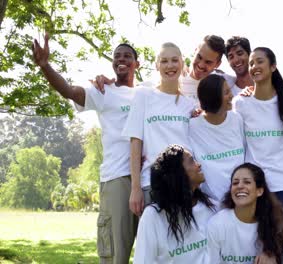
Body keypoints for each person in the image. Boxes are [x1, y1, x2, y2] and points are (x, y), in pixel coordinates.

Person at [32, 33, 139, 264]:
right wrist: (45, 66)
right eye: (117, 56)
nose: (121, 59)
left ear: (136, 64)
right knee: (115, 255)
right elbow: (69, 91)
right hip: (117, 178)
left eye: (127, 56)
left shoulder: (148, 93)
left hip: (149, 179)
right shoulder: (103, 92)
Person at [122, 42, 195, 217]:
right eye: (164, 61)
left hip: (184, 184)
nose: (170, 66)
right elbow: (135, 142)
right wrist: (135, 187)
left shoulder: (190, 104)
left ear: (182, 63)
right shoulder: (144, 95)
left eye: (174, 60)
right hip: (152, 184)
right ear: (157, 65)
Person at [233, 47, 283, 222]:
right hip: (255, 185)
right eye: (251, 63)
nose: (254, 66)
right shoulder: (241, 102)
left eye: (259, 61)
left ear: (273, 66)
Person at [133, 144, 216, 263]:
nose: (199, 164)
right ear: (177, 172)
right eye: (192, 161)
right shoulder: (153, 216)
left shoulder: (210, 208)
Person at [206, 163, 283, 264]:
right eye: (235, 183)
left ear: (259, 191)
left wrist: (272, 256)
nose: (240, 186)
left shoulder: (272, 222)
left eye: (247, 182)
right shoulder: (217, 224)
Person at [189, 74, 245, 201]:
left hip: (239, 199)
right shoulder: (192, 126)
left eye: (230, 90)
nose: (231, 95)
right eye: (226, 92)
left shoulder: (237, 119)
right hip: (209, 202)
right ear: (213, 97)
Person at [180, 35, 226, 102]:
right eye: (199, 57)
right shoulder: (176, 81)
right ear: (195, 51)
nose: (201, 65)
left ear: (218, 64)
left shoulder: (223, 84)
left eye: (208, 62)